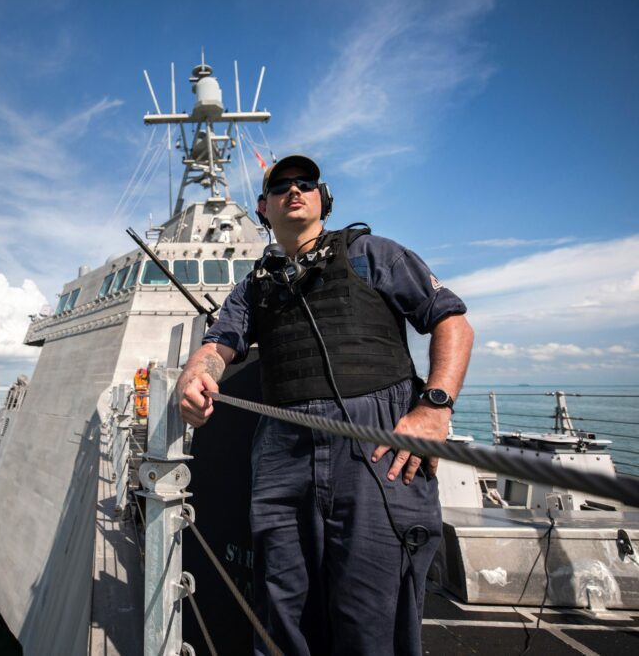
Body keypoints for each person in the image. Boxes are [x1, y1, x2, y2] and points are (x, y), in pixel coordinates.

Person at [177, 155, 474, 656]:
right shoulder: (254, 287)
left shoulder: (372, 254)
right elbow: (219, 345)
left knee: (372, 616)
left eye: (306, 183)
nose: (295, 190)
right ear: (263, 207)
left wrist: (434, 407)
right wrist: (195, 375)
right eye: (281, 186)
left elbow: (452, 322)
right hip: (284, 450)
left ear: (324, 198)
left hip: (375, 444)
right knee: (283, 611)